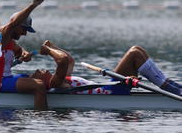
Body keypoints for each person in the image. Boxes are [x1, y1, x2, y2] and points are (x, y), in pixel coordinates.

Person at [32, 41, 182, 97]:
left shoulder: (64, 78)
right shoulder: (56, 83)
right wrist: (49, 52)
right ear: (41, 81)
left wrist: (53, 47)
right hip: (112, 92)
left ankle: (172, 85)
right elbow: (63, 61)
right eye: (36, 74)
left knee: (137, 49)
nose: (38, 70)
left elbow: (70, 60)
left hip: (112, 87)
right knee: (134, 54)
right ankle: (172, 89)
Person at [0, 0, 47, 109]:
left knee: (40, 78)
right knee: (40, 86)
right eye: (24, 29)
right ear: (15, 25)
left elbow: (19, 49)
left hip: (7, 78)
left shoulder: (11, 42)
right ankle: (43, 122)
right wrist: (33, 5)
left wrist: (24, 53)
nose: (25, 34)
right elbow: (13, 23)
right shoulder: (0, 36)